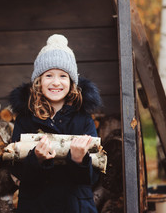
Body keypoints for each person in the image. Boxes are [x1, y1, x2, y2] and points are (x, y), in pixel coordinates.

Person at [9, 34, 102, 213]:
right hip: (37, 206)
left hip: (75, 206)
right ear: (39, 82)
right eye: (49, 75)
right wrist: (36, 159)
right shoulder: (25, 119)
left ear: (72, 82)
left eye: (63, 76)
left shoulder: (83, 120)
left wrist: (78, 160)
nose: (56, 82)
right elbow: (17, 171)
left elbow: (92, 177)